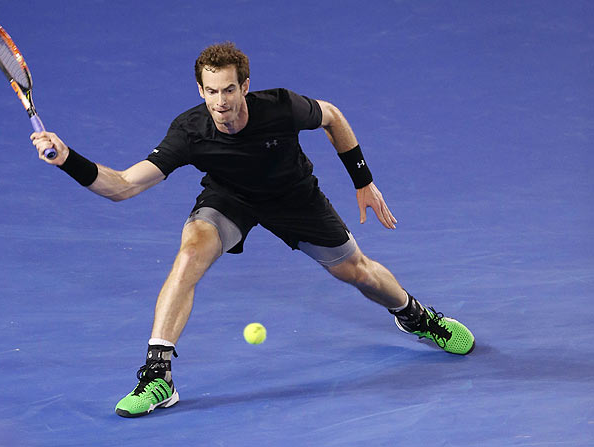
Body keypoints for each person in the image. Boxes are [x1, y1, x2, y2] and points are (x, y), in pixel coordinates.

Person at [31, 42, 475, 418]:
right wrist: (68, 158)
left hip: (293, 197)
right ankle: (158, 376)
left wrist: (363, 181)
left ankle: (415, 315)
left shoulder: (280, 108)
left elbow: (333, 117)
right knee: (190, 253)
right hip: (230, 198)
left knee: (356, 271)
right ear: (200, 90)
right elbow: (123, 186)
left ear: (244, 86)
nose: (221, 102)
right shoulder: (189, 131)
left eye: (229, 90)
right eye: (211, 91)